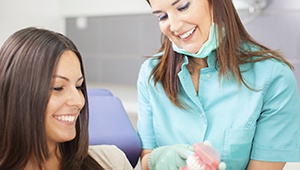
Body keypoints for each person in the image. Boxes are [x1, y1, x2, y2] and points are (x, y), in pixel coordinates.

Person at [136, 0, 300, 169]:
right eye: (162, 17)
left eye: (183, 7)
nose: (174, 26)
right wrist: (156, 159)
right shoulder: (151, 74)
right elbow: (145, 161)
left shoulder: (274, 77)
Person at [0, 27, 133, 170]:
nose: (79, 101)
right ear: (17, 93)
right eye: (58, 87)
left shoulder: (111, 162)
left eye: (79, 86)